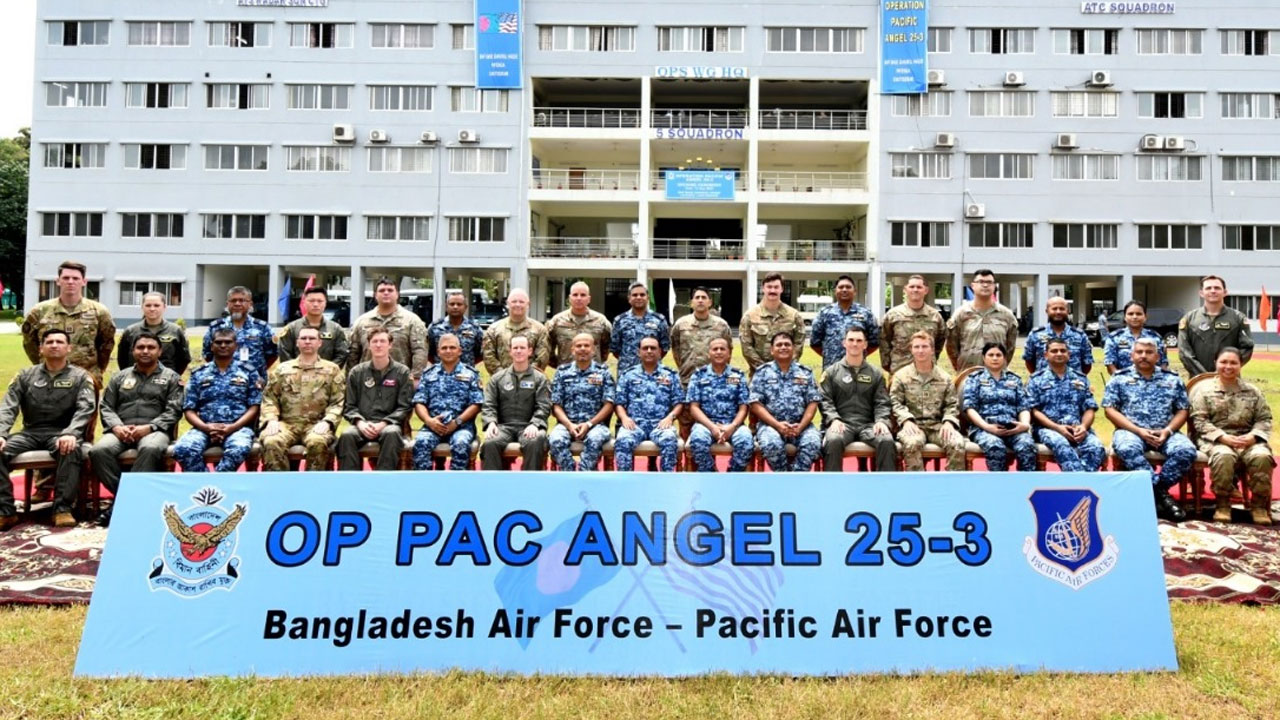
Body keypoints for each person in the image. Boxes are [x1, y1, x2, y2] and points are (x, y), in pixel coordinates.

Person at [0, 329, 97, 529]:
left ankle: (62, 509)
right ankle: (6, 511)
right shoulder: (25, 376)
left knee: (70, 448)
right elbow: (8, 407)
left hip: (62, 432)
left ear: (68, 348)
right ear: (41, 348)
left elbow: (86, 408)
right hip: (30, 433)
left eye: (59, 342)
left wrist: (71, 432)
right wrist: (1, 433)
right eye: (49, 342)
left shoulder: (80, 377)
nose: (54, 345)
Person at [89, 331, 184, 526]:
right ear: (133, 351)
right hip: (121, 430)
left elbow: (174, 410)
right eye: (140, 347)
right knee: (99, 451)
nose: (145, 351)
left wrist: (150, 427)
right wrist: (117, 427)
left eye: (151, 347)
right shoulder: (119, 377)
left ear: (160, 351)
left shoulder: (172, 378)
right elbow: (106, 406)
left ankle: (120, 505)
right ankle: (130, 497)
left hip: (154, 430)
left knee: (150, 448)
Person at [1102, 337, 1195, 522]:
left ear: (1158, 356)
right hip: (1131, 431)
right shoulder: (1119, 378)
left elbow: (1182, 410)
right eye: (1139, 352)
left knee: (1186, 450)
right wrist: (1138, 431)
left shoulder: (1172, 379)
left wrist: (1168, 431)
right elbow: (1109, 410)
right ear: (1132, 355)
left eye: (1149, 352)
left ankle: (1157, 491)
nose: (1143, 356)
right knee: (1126, 448)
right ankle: (1163, 497)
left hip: (1166, 432)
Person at [1189, 347, 1274, 525]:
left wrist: (1253, 436)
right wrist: (1222, 437)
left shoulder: (1253, 391)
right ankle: (1223, 504)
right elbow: (1200, 421)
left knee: (1262, 456)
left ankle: (1258, 506)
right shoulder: (1203, 391)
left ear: (1240, 364)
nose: (1228, 366)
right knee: (1223, 456)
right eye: (1224, 362)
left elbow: (1264, 419)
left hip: (1247, 440)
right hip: (1215, 440)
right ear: (1216, 363)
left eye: (1233, 363)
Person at [172, 329, 262, 473]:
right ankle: (205, 482)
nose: (223, 345)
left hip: (238, 428)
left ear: (236, 345)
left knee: (238, 449)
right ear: (211, 346)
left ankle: (217, 482)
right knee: (184, 449)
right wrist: (206, 428)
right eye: (218, 342)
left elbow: (254, 406)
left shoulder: (248, 372)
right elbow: (189, 409)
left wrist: (232, 427)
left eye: (228, 342)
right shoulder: (199, 373)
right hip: (204, 427)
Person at [259, 327, 345, 471]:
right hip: (286, 424)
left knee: (317, 441)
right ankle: (279, 483)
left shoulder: (332, 370)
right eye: (303, 338)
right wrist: (271, 420)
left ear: (320, 343)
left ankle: (312, 483)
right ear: (297, 343)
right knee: (272, 441)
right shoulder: (282, 369)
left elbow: (338, 401)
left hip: (316, 424)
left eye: (312, 338)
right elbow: (270, 398)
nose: (307, 342)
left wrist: (328, 421)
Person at [21, 260, 114, 386]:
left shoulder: (99, 311)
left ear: (84, 282)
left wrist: (98, 369)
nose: (70, 282)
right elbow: (30, 343)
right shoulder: (39, 311)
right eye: (66, 278)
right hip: (49, 377)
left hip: (87, 378)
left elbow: (106, 345)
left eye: (75, 278)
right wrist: (43, 364)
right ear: (58, 281)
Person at [819, 327, 896, 472]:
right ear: (844, 343)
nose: (854, 344)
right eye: (851, 340)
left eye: (859, 341)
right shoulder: (831, 373)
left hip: (868, 425)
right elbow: (825, 400)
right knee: (833, 440)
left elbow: (882, 402)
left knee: (886, 440)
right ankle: (832, 483)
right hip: (842, 423)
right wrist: (834, 419)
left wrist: (881, 421)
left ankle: (886, 484)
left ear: (865, 345)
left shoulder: (876, 374)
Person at [338, 328, 414, 471]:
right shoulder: (357, 372)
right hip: (362, 424)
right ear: (369, 345)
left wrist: (384, 423)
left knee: (391, 433)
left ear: (390, 345)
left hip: (389, 424)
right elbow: (349, 406)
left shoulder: (402, 372)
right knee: (347, 435)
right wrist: (360, 423)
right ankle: (350, 479)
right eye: (375, 341)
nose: (378, 345)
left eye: (382, 341)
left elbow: (405, 407)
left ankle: (383, 479)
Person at [891, 331, 967, 471]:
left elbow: (952, 404)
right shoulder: (901, 376)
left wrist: (949, 422)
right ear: (911, 349)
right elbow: (895, 403)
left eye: (925, 346)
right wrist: (906, 420)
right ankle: (918, 483)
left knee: (956, 443)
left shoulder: (944, 378)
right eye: (917, 347)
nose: (920, 351)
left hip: (937, 426)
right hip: (912, 425)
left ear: (932, 350)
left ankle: (953, 482)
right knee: (912, 444)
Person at [1027, 338, 1106, 473]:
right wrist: (1057, 428)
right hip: (1048, 429)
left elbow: (1089, 408)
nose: (1059, 353)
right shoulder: (1036, 380)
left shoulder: (1080, 379)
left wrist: (1083, 427)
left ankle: (1079, 481)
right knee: (1061, 445)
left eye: (1063, 351)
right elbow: (1034, 411)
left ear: (1069, 354)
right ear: (1046, 355)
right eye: (1054, 351)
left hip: (1077, 429)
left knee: (1096, 447)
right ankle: (1080, 481)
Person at [749, 333, 822, 472]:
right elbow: (755, 404)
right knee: (771, 443)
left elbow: (813, 403)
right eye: (779, 345)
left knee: (812, 443)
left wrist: (800, 427)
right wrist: (777, 425)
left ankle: (796, 477)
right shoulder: (762, 372)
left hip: (801, 425)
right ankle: (783, 476)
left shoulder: (805, 373)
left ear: (793, 348)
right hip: (770, 425)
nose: (783, 347)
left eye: (787, 344)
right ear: (772, 350)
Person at [411, 333, 483, 471]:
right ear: (438, 352)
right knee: (421, 442)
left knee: (461, 444)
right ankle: (423, 482)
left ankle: (455, 482)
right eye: (444, 348)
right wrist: (429, 421)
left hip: (461, 426)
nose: (448, 351)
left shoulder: (470, 374)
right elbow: (419, 402)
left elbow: (476, 404)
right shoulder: (428, 374)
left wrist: (457, 422)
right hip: (433, 426)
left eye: (452, 347)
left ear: (460, 351)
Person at [962, 342, 1037, 472]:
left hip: (1013, 428)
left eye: (998, 355)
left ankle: (1025, 483)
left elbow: (1023, 406)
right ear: (984, 358)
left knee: (1026, 445)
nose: (995, 358)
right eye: (991, 355)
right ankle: (999, 483)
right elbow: (970, 408)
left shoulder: (1014, 380)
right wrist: (987, 427)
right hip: (984, 429)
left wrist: (1024, 425)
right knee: (995, 446)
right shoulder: (974, 379)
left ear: (1004, 358)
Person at [614, 336, 684, 472]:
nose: (649, 351)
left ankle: (666, 479)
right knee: (623, 440)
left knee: (669, 439)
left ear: (660, 352)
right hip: (635, 424)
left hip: (661, 424)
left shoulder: (670, 374)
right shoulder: (628, 375)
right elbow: (619, 402)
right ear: (639, 352)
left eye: (653, 348)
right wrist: (624, 418)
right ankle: (626, 479)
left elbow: (679, 402)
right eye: (645, 348)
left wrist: (670, 417)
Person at [481, 335, 551, 470]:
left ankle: (529, 480)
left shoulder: (540, 379)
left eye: (522, 348)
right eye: (515, 348)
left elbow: (543, 405)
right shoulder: (498, 378)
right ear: (510, 351)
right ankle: (492, 481)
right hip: (504, 427)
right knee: (490, 442)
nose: (519, 351)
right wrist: (491, 423)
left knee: (536, 440)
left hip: (528, 426)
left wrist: (535, 424)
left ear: (529, 351)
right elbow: (489, 404)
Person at [549, 333, 616, 471]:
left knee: (595, 439)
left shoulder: (603, 372)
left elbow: (609, 404)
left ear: (593, 350)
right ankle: (569, 474)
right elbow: (556, 405)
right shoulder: (562, 372)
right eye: (579, 346)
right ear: (572, 350)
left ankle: (585, 474)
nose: (583, 349)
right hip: (567, 424)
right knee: (556, 439)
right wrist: (569, 425)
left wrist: (589, 424)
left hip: (595, 425)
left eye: (586, 345)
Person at [685, 337, 753, 472]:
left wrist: (732, 427)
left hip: (733, 424)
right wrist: (712, 427)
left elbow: (743, 407)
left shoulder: (738, 375)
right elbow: (694, 407)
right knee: (698, 440)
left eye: (722, 349)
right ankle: (711, 474)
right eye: (715, 349)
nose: (719, 352)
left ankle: (732, 475)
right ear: (709, 353)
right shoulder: (699, 375)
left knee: (746, 441)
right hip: (705, 424)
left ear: (729, 353)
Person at [346, 278, 430, 380]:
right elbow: (353, 353)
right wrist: (351, 378)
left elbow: (420, 351)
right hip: (367, 380)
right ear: (375, 295)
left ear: (397, 294)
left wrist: (416, 377)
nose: (386, 293)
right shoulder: (362, 322)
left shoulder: (412, 321)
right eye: (381, 290)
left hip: (401, 380)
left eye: (390, 290)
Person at [1178, 275, 1254, 376]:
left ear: (1225, 292)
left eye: (1217, 288)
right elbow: (1184, 352)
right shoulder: (1189, 319)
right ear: (1201, 293)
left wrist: (1226, 368)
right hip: (1198, 379)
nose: (1213, 291)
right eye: (1208, 288)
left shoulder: (1238, 318)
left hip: (1229, 378)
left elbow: (1247, 347)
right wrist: (1204, 375)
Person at [946, 269, 1018, 373]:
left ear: (994, 286)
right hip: (968, 373)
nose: (985, 285)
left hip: (996, 375)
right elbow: (951, 347)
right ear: (973, 286)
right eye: (981, 282)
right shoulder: (961, 314)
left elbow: (1010, 348)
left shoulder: (1007, 315)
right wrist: (961, 367)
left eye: (989, 282)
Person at [201, 286, 277, 378]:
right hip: (223, 381)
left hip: (254, 382)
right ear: (227, 304)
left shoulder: (263, 328)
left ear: (250, 304)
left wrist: (256, 372)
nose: (237, 304)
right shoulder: (215, 327)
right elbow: (207, 354)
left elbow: (272, 355)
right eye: (233, 301)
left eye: (242, 300)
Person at [740, 272, 806, 374]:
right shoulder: (750, 316)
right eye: (769, 287)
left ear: (782, 289)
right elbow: (746, 347)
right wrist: (765, 370)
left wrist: (785, 367)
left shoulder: (794, 316)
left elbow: (798, 345)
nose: (772, 290)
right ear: (763, 288)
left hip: (787, 374)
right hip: (759, 375)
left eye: (776, 287)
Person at [881, 274, 946, 375]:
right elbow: (884, 340)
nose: (915, 290)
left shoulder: (935, 316)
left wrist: (930, 357)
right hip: (899, 369)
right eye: (912, 287)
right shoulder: (893, 315)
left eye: (919, 287)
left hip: (927, 372)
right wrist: (888, 364)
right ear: (905, 290)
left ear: (926, 290)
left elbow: (939, 342)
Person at [809, 274, 880, 366]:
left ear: (855, 291)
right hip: (832, 367)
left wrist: (858, 354)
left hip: (857, 367)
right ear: (835, 291)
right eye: (841, 287)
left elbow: (874, 343)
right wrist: (829, 355)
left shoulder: (866, 313)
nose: (844, 290)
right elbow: (815, 343)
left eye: (848, 287)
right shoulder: (824, 313)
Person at [117, 291, 191, 375]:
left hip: (167, 379)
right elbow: (122, 359)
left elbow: (184, 359)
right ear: (142, 307)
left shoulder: (175, 331)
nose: (152, 309)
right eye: (148, 305)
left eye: (156, 305)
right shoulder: (130, 331)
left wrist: (172, 376)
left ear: (164, 307)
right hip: (136, 378)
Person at [481, 289, 550, 375]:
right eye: (514, 301)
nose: (517, 304)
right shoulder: (493, 329)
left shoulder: (539, 330)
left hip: (531, 380)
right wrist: (503, 376)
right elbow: (488, 356)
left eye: (521, 302)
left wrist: (528, 376)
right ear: (507, 304)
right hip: (501, 379)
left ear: (528, 305)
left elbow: (542, 357)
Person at [546, 281, 611, 368]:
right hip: (566, 372)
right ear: (569, 298)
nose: (579, 298)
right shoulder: (557, 321)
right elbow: (547, 347)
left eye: (583, 295)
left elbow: (606, 347)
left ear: (589, 299)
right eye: (575, 295)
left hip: (593, 372)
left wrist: (597, 362)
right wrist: (559, 365)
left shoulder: (601, 321)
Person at [610, 283, 670, 376]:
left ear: (648, 298)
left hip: (652, 373)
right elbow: (615, 349)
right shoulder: (620, 321)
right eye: (635, 295)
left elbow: (664, 348)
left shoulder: (659, 320)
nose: (638, 297)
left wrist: (650, 360)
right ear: (629, 298)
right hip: (627, 373)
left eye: (642, 295)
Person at [277, 286, 349, 364]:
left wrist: (328, 369)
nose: (315, 304)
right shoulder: (291, 328)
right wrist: (296, 369)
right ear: (304, 303)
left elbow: (342, 354)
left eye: (320, 301)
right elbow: (285, 354)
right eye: (311, 301)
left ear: (325, 303)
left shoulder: (335, 329)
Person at [1023, 297, 1092, 376]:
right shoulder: (1035, 335)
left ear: (1068, 311)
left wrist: (1075, 378)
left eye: (1062, 309)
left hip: (1073, 382)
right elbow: (1029, 361)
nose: (1058, 312)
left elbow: (1087, 363)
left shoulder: (1079, 335)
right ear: (1047, 311)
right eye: (1054, 309)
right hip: (1044, 382)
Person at [1104, 300, 1169, 374]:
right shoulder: (1114, 338)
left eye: (1139, 314)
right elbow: (1110, 364)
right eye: (1130, 314)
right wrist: (1120, 379)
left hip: (1152, 380)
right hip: (1123, 379)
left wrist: (1160, 379)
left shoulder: (1155, 337)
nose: (1134, 317)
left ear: (1145, 317)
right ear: (1125, 317)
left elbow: (1163, 363)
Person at [427, 290, 484, 367]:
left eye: (459, 304)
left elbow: (479, 354)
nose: (455, 307)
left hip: (466, 373)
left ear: (465, 307)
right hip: (441, 373)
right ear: (446, 306)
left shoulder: (474, 328)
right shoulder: (435, 327)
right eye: (452, 304)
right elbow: (429, 353)